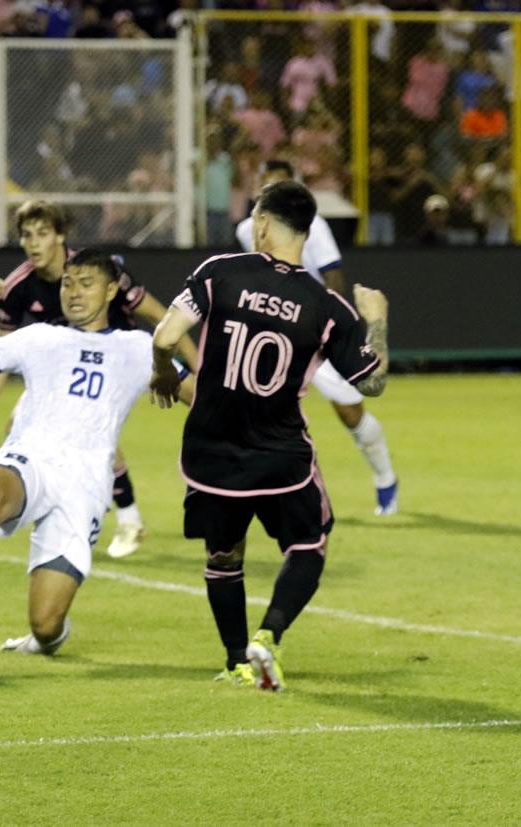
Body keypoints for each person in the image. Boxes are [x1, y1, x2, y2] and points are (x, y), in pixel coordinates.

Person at [151, 180, 390, 690]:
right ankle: (269, 633)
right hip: (279, 456)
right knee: (310, 545)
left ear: (260, 223)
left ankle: (237, 660)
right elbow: (371, 382)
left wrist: (163, 374)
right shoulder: (324, 304)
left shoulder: (220, 273)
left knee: (223, 557)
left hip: (212, 453)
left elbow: (167, 336)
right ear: (307, 232)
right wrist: (377, 321)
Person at [0, 250, 184, 654]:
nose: (75, 292)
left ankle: (44, 639)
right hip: (31, 457)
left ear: (112, 290)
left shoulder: (137, 348)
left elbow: (200, 397)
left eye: (87, 283)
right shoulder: (41, 338)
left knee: (46, 625)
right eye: (68, 283)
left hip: (84, 487)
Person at [0, 200, 197, 559]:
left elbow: (161, 317)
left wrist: (198, 369)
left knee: (88, 425)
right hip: (62, 366)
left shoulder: (101, 271)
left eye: (42, 233)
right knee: (18, 427)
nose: (34, 243)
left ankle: (123, 515)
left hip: (116, 360)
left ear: (60, 236)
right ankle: (85, 504)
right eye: (26, 236)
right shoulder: (18, 286)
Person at [236, 161, 398, 515]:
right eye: (268, 184)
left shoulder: (313, 224)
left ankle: (385, 478)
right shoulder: (246, 229)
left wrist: (328, 321)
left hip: (310, 329)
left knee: (350, 410)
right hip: (272, 334)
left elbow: (332, 275)